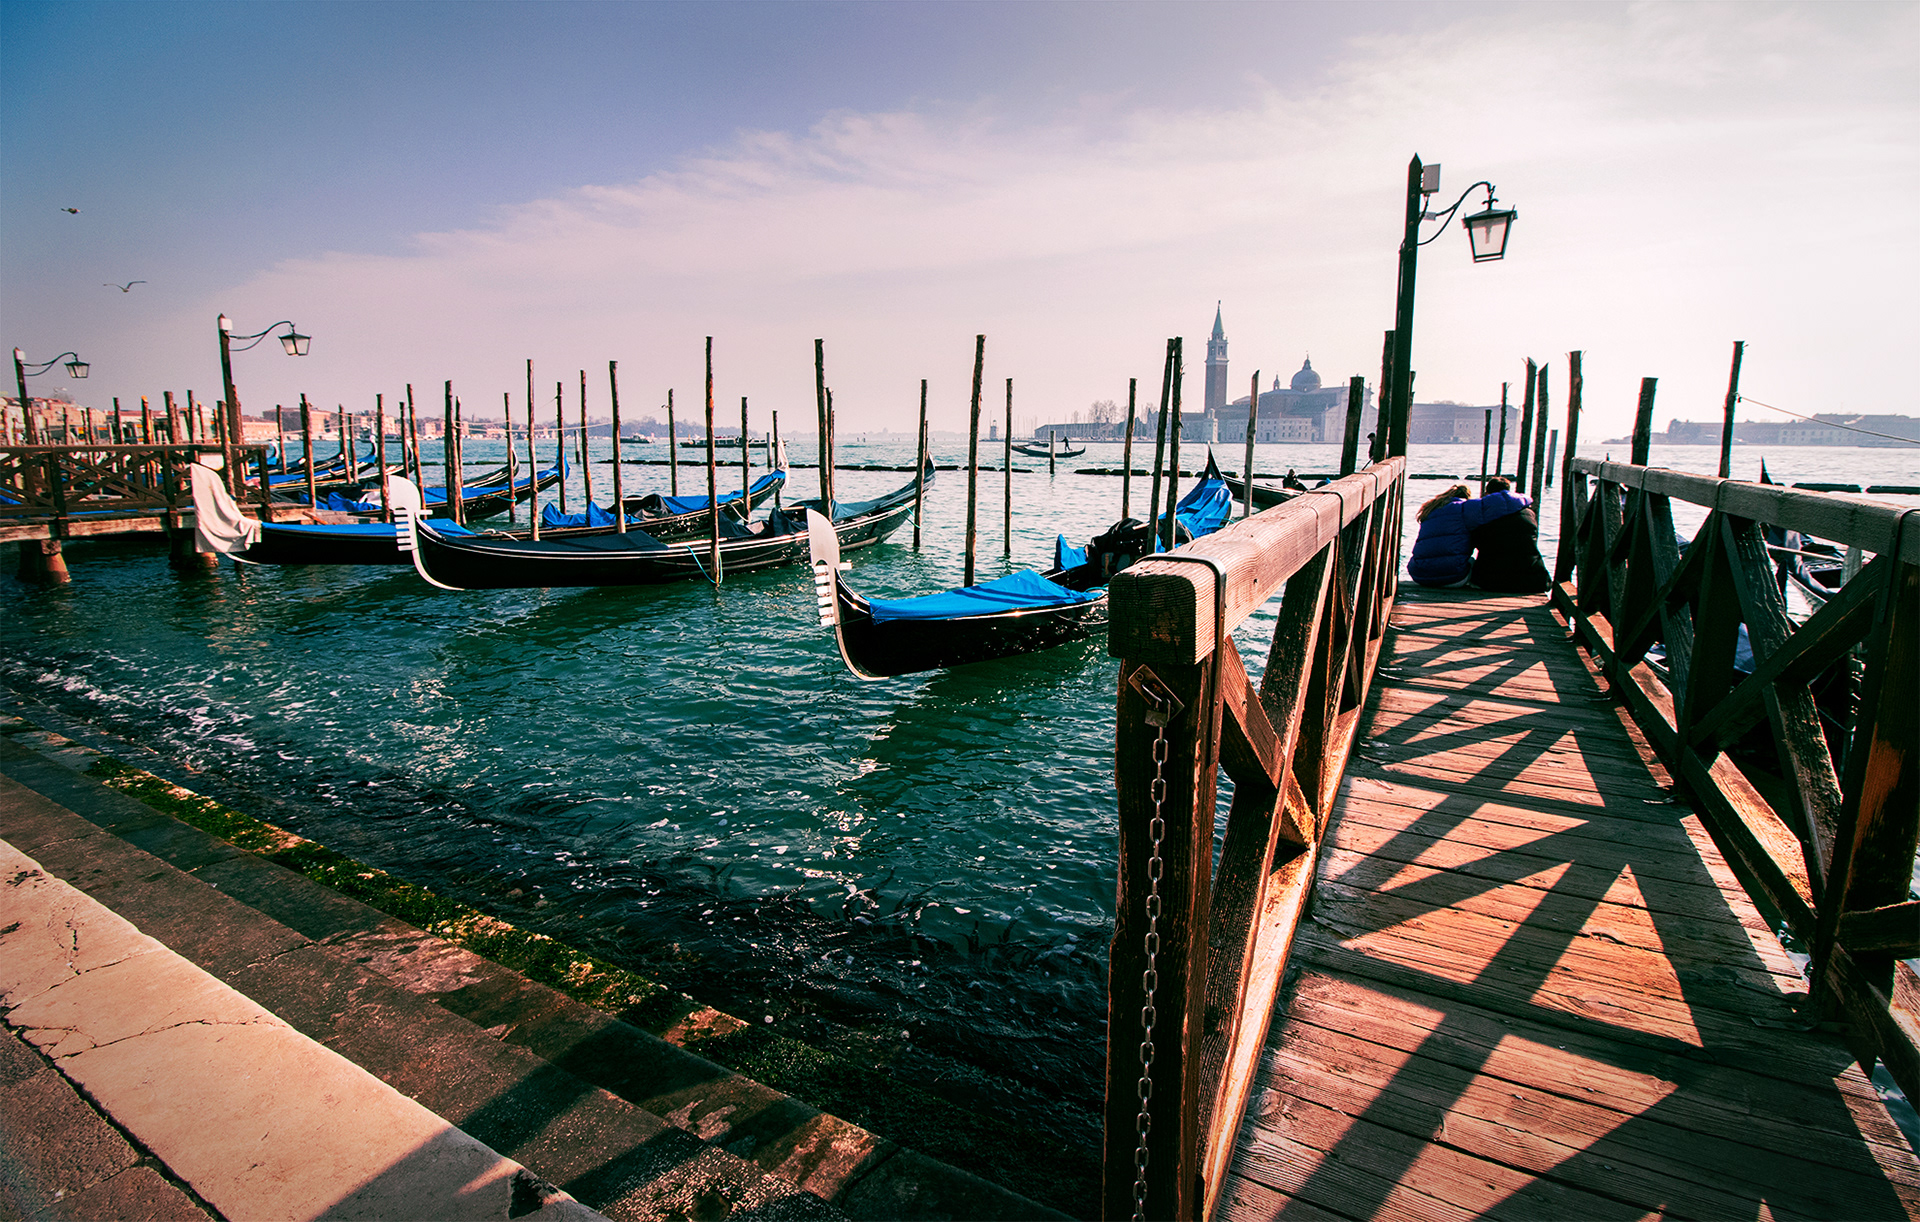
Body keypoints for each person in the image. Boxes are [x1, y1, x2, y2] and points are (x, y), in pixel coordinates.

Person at [1406, 479, 1533, 587]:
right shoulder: (1464, 508)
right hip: (1453, 578)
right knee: (1471, 562)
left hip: (1419, 575)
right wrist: (1525, 498)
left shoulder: (1431, 511)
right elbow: (1501, 501)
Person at [1469, 477, 1552, 592]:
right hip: (1531, 579)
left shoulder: (1483, 514)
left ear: (1487, 493)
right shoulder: (1528, 513)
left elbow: (1473, 540)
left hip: (1491, 579)